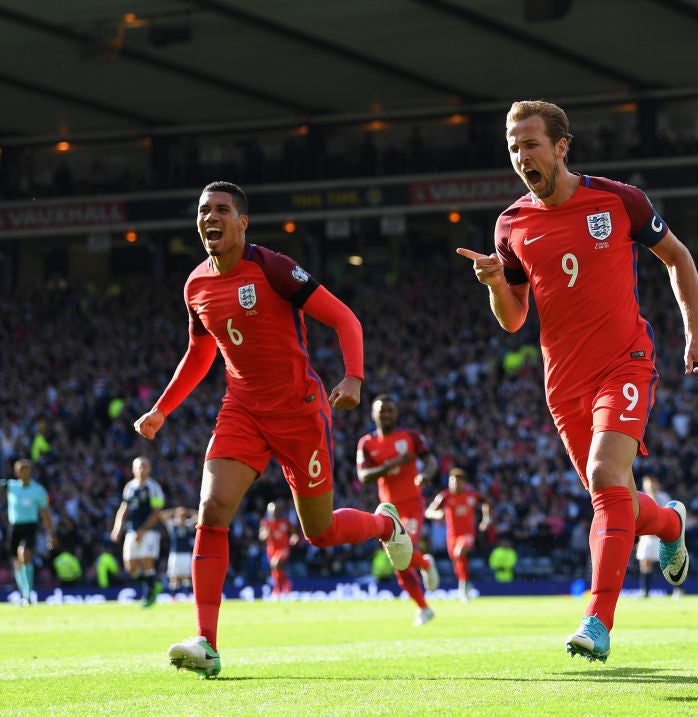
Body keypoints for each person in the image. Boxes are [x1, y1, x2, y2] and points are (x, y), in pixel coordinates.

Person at [457, 100, 698, 662]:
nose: (521, 156)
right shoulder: (511, 225)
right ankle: (670, 523)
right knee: (613, 496)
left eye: (530, 144)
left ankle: (597, 620)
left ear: (560, 147)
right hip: (563, 383)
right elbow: (513, 319)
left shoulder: (619, 201)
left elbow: (677, 258)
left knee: (605, 475)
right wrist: (496, 284)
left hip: (625, 362)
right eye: (513, 148)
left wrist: (696, 334)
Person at [134, 181, 412, 678]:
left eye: (221, 210)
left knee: (320, 532)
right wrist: (161, 409)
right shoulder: (195, 285)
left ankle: (385, 525)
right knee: (211, 509)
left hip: (299, 412)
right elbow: (201, 351)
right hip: (241, 410)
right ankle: (207, 642)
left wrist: (353, 376)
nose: (210, 217)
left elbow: (345, 319)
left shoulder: (273, 268)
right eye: (203, 210)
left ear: (242, 222)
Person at [357, 393, 440, 626]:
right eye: (381, 411)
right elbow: (364, 476)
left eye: (390, 410)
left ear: (396, 413)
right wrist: (393, 463)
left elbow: (431, 461)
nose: (386, 414)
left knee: (404, 548)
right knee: (398, 563)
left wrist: (425, 474)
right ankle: (424, 605)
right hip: (388, 511)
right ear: (373, 415)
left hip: (412, 505)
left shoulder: (411, 436)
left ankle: (425, 567)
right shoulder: (367, 443)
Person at [425, 466, 492, 601]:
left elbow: (487, 503)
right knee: (458, 561)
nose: (455, 485)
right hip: (452, 535)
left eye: (458, 482)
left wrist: (486, 519)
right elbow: (428, 512)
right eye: (452, 482)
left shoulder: (472, 495)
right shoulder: (445, 496)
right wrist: (437, 515)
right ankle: (466, 583)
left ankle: (463, 588)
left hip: (467, 534)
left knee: (459, 552)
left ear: (464, 483)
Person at [110, 456, 166, 609]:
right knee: (130, 567)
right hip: (132, 530)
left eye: (144, 466)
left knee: (147, 562)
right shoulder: (129, 487)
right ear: (133, 470)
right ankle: (154, 584)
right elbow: (124, 508)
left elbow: (157, 512)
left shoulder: (153, 487)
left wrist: (143, 529)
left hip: (149, 531)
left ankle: (148, 597)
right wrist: (117, 528)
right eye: (138, 466)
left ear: (150, 469)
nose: (141, 469)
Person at [3, 459, 55, 604]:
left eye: (28, 470)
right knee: (16, 561)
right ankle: (23, 593)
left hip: (30, 526)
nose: (26, 473)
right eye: (22, 470)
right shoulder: (11, 486)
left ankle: (28, 594)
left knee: (24, 555)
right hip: (15, 527)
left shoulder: (38, 490)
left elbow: (45, 513)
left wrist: (51, 533)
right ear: (17, 473)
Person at [633, 475, 671, 598]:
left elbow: (664, 514)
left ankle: (679, 589)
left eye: (652, 483)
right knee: (645, 563)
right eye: (648, 483)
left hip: (660, 536)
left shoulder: (664, 497)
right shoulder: (640, 497)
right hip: (646, 537)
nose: (650, 486)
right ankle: (645, 591)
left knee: (668, 563)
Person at [259, 501, 300, 599]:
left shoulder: (285, 521)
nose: (274, 513)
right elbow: (261, 536)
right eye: (272, 512)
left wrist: (294, 538)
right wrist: (265, 535)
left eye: (276, 511)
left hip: (284, 549)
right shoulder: (266, 523)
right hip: (271, 550)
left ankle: (277, 590)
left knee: (276, 564)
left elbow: (294, 533)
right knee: (276, 569)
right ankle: (285, 584)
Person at [162, 506, 198, 591]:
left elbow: (198, 515)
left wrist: (187, 511)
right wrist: (175, 510)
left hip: (186, 554)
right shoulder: (173, 525)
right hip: (175, 555)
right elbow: (163, 515)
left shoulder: (188, 525)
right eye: (179, 516)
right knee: (174, 577)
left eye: (183, 516)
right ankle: (174, 595)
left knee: (187, 577)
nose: (181, 518)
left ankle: (187, 595)